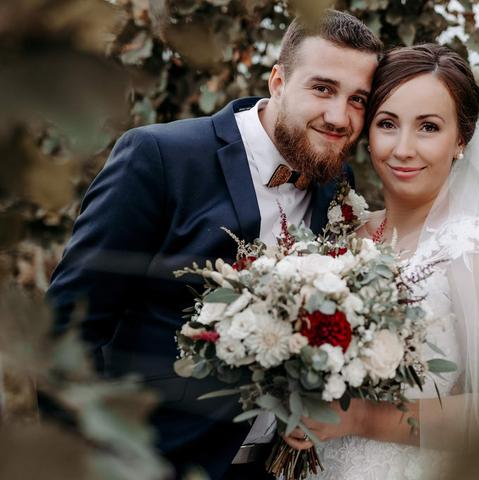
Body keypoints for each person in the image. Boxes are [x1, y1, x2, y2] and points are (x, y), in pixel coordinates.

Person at [45, 10, 381, 479]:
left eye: (357, 99)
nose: (339, 116)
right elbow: (66, 331)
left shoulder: (335, 182)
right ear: (278, 82)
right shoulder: (161, 157)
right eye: (323, 88)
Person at [282, 44, 479, 479]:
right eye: (388, 124)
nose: (403, 149)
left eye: (428, 127)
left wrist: (362, 418)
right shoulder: (344, 232)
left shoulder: (470, 247)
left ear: (461, 139)